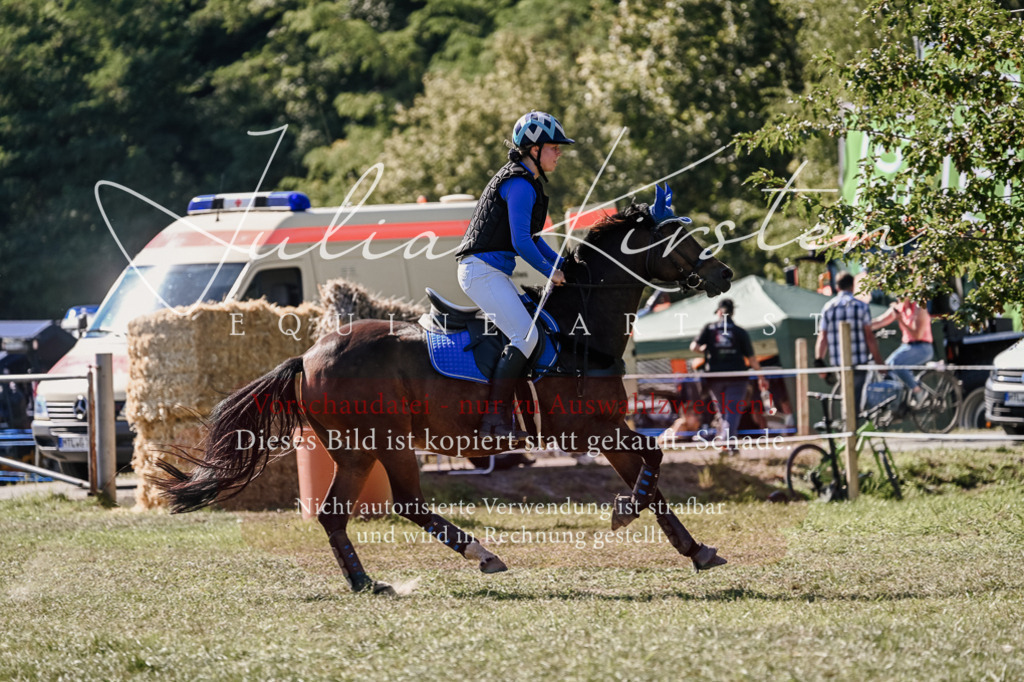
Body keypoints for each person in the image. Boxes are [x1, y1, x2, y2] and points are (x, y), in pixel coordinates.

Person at [455, 111, 572, 440]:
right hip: (481, 272)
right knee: (527, 336)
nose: (559, 152)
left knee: (535, 331)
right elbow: (521, 243)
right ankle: (494, 422)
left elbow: (534, 239)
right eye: (554, 146)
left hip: (491, 271)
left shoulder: (527, 182)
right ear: (534, 149)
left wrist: (564, 264)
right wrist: (552, 273)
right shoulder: (520, 184)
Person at [690, 298, 768, 455]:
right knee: (732, 412)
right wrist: (761, 377)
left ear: (719, 312)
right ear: (733, 312)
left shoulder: (710, 328)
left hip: (715, 378)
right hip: (737, 377)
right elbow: (752, 359)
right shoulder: (740, 332)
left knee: (724, 412)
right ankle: (726, 444)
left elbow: (694, 347)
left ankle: (729, 445)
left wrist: (706, 348)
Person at [815, 271, 884, 417]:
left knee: (846, 397)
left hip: (838, 362)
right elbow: (869, 337)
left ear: (837, 287)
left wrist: (819, 362)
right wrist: (879, 361)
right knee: (856, 399)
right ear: (853, 286)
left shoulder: (828, 308)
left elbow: (823, 337)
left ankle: (848, 429)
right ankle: (852, 431)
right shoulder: (861, 306)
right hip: (858, 361)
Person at [870, 298, 933, 404]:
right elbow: (879, 321)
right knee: (887, 369)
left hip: (922, 347)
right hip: (907, 346)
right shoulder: (899, 307)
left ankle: (918, 392)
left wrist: (901, 320)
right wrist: (861, 326)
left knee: (897, 364)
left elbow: (917, 335)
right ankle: (902, 398)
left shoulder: (919, 307)